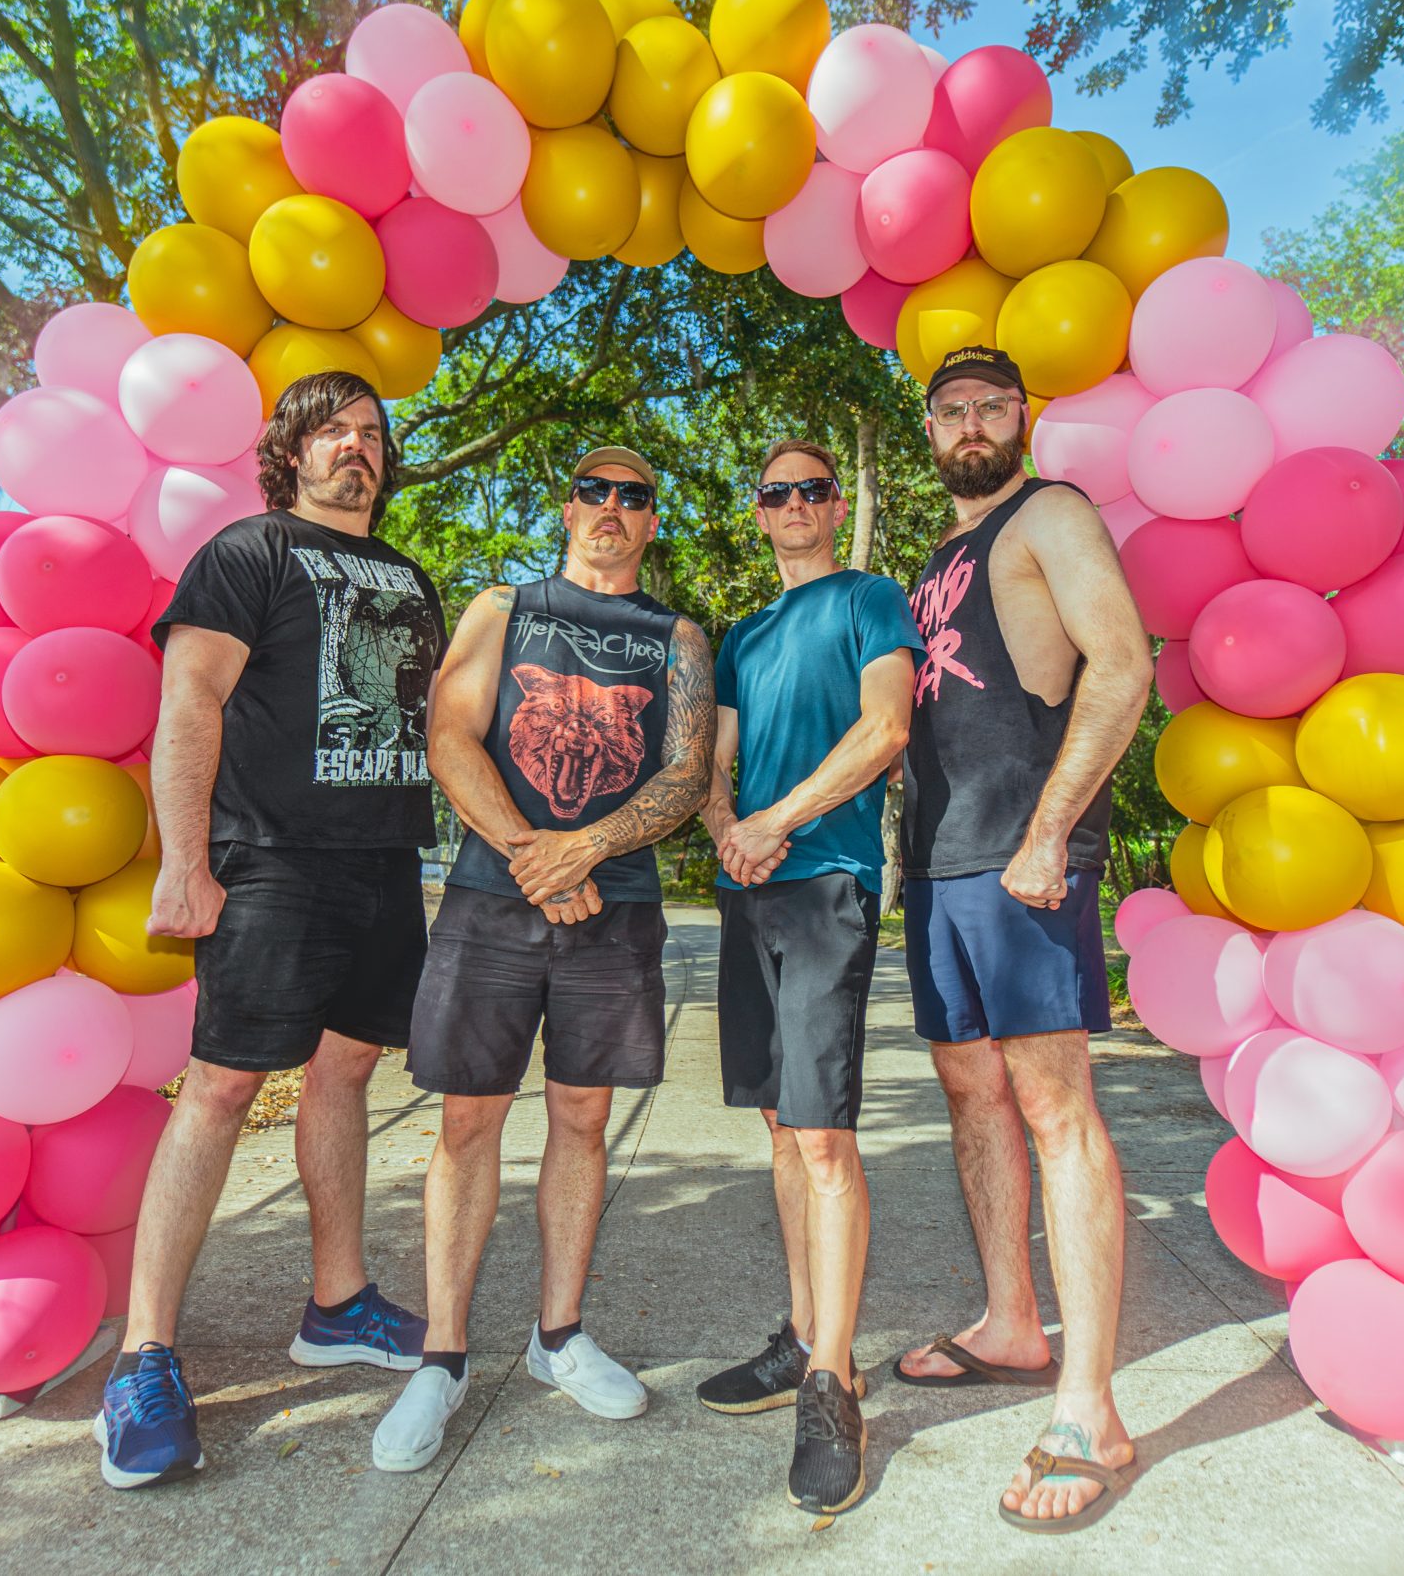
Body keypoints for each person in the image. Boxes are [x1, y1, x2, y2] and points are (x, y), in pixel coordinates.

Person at [95, 371, 445, 1491]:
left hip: (383, 863)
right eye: (333, 432)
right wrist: (185, 864)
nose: (357, 447)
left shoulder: (409, 576)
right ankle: (142, 1353)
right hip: (273, 862)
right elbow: (190, 698)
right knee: (222, 1086)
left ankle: (337, 1302)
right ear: (290, 453)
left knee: (346, 1072)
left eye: (372, 433)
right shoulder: (248, 553)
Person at [371, 445, 715, 1473]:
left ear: (651, 520)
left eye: (634, 495)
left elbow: (688, 770)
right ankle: (441, 1355)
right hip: (493, 898)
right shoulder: (501, 606)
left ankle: (557, 1334)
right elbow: (448, 735)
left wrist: (590, 848)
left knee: (582, 1116)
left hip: (617, 905)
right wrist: (537, 858)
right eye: (593, 489)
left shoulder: (678, 636)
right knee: (467, 1119)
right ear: (566, 505)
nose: (611, 507)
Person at [888, 346, 1155, 1535]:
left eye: (993, 403)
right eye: (951, 407)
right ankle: (1010, 1319)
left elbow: (1122, 663)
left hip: (1022, 856)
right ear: (931, 429)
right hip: (939, 866)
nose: (971, 421)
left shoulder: (1049, 512)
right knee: (971, 1095)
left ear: (1023, 418)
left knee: (1055, 1108)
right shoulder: (933, 560)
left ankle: (1088, 1406)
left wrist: (1051, 829)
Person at [695, 438, 922, 1516]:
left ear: (834, 506)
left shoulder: (872, 597)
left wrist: (774, 823)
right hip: (752, 888)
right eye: (774, 489)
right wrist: (725, 832)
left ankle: (834, 1380)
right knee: (783, 1126)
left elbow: (885, 726)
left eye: (811, 488)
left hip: (828, 879)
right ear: (760, 511)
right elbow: (711, 765)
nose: (792, 502)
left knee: (825, 1132)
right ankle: (799, 1336)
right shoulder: (742, 634)